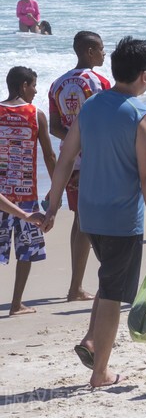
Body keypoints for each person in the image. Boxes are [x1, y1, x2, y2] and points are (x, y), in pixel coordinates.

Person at [43, 36, 146, 389]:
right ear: (145, 74)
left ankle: (91, 339)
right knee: (114, 294)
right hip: (120, 219)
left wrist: (52, 206)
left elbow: (66, 158)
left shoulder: (91, 105)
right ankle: (100, 372)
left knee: (109, 278)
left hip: (89, 214)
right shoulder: (142, 116)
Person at [48, 31, 111, 301]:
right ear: (89, 51)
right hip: (97, 160)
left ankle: (76, 285)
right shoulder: (100, 82)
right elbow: (109, 121)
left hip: (71, 161)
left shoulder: (57, 84)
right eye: (100, 49)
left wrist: (76, 142)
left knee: (79, 220)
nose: (104, 53)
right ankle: (101, 281)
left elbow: (55, 127)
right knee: (99, 221)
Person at [0, 67, 56, 315]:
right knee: (26, 251)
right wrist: (55, 191)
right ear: (24, 85)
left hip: (1, 193)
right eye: (34, 85)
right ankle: (15, 304)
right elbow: (49, 155)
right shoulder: (36, 115)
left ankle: (16, 304)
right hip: (26, 196)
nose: (35, 90)